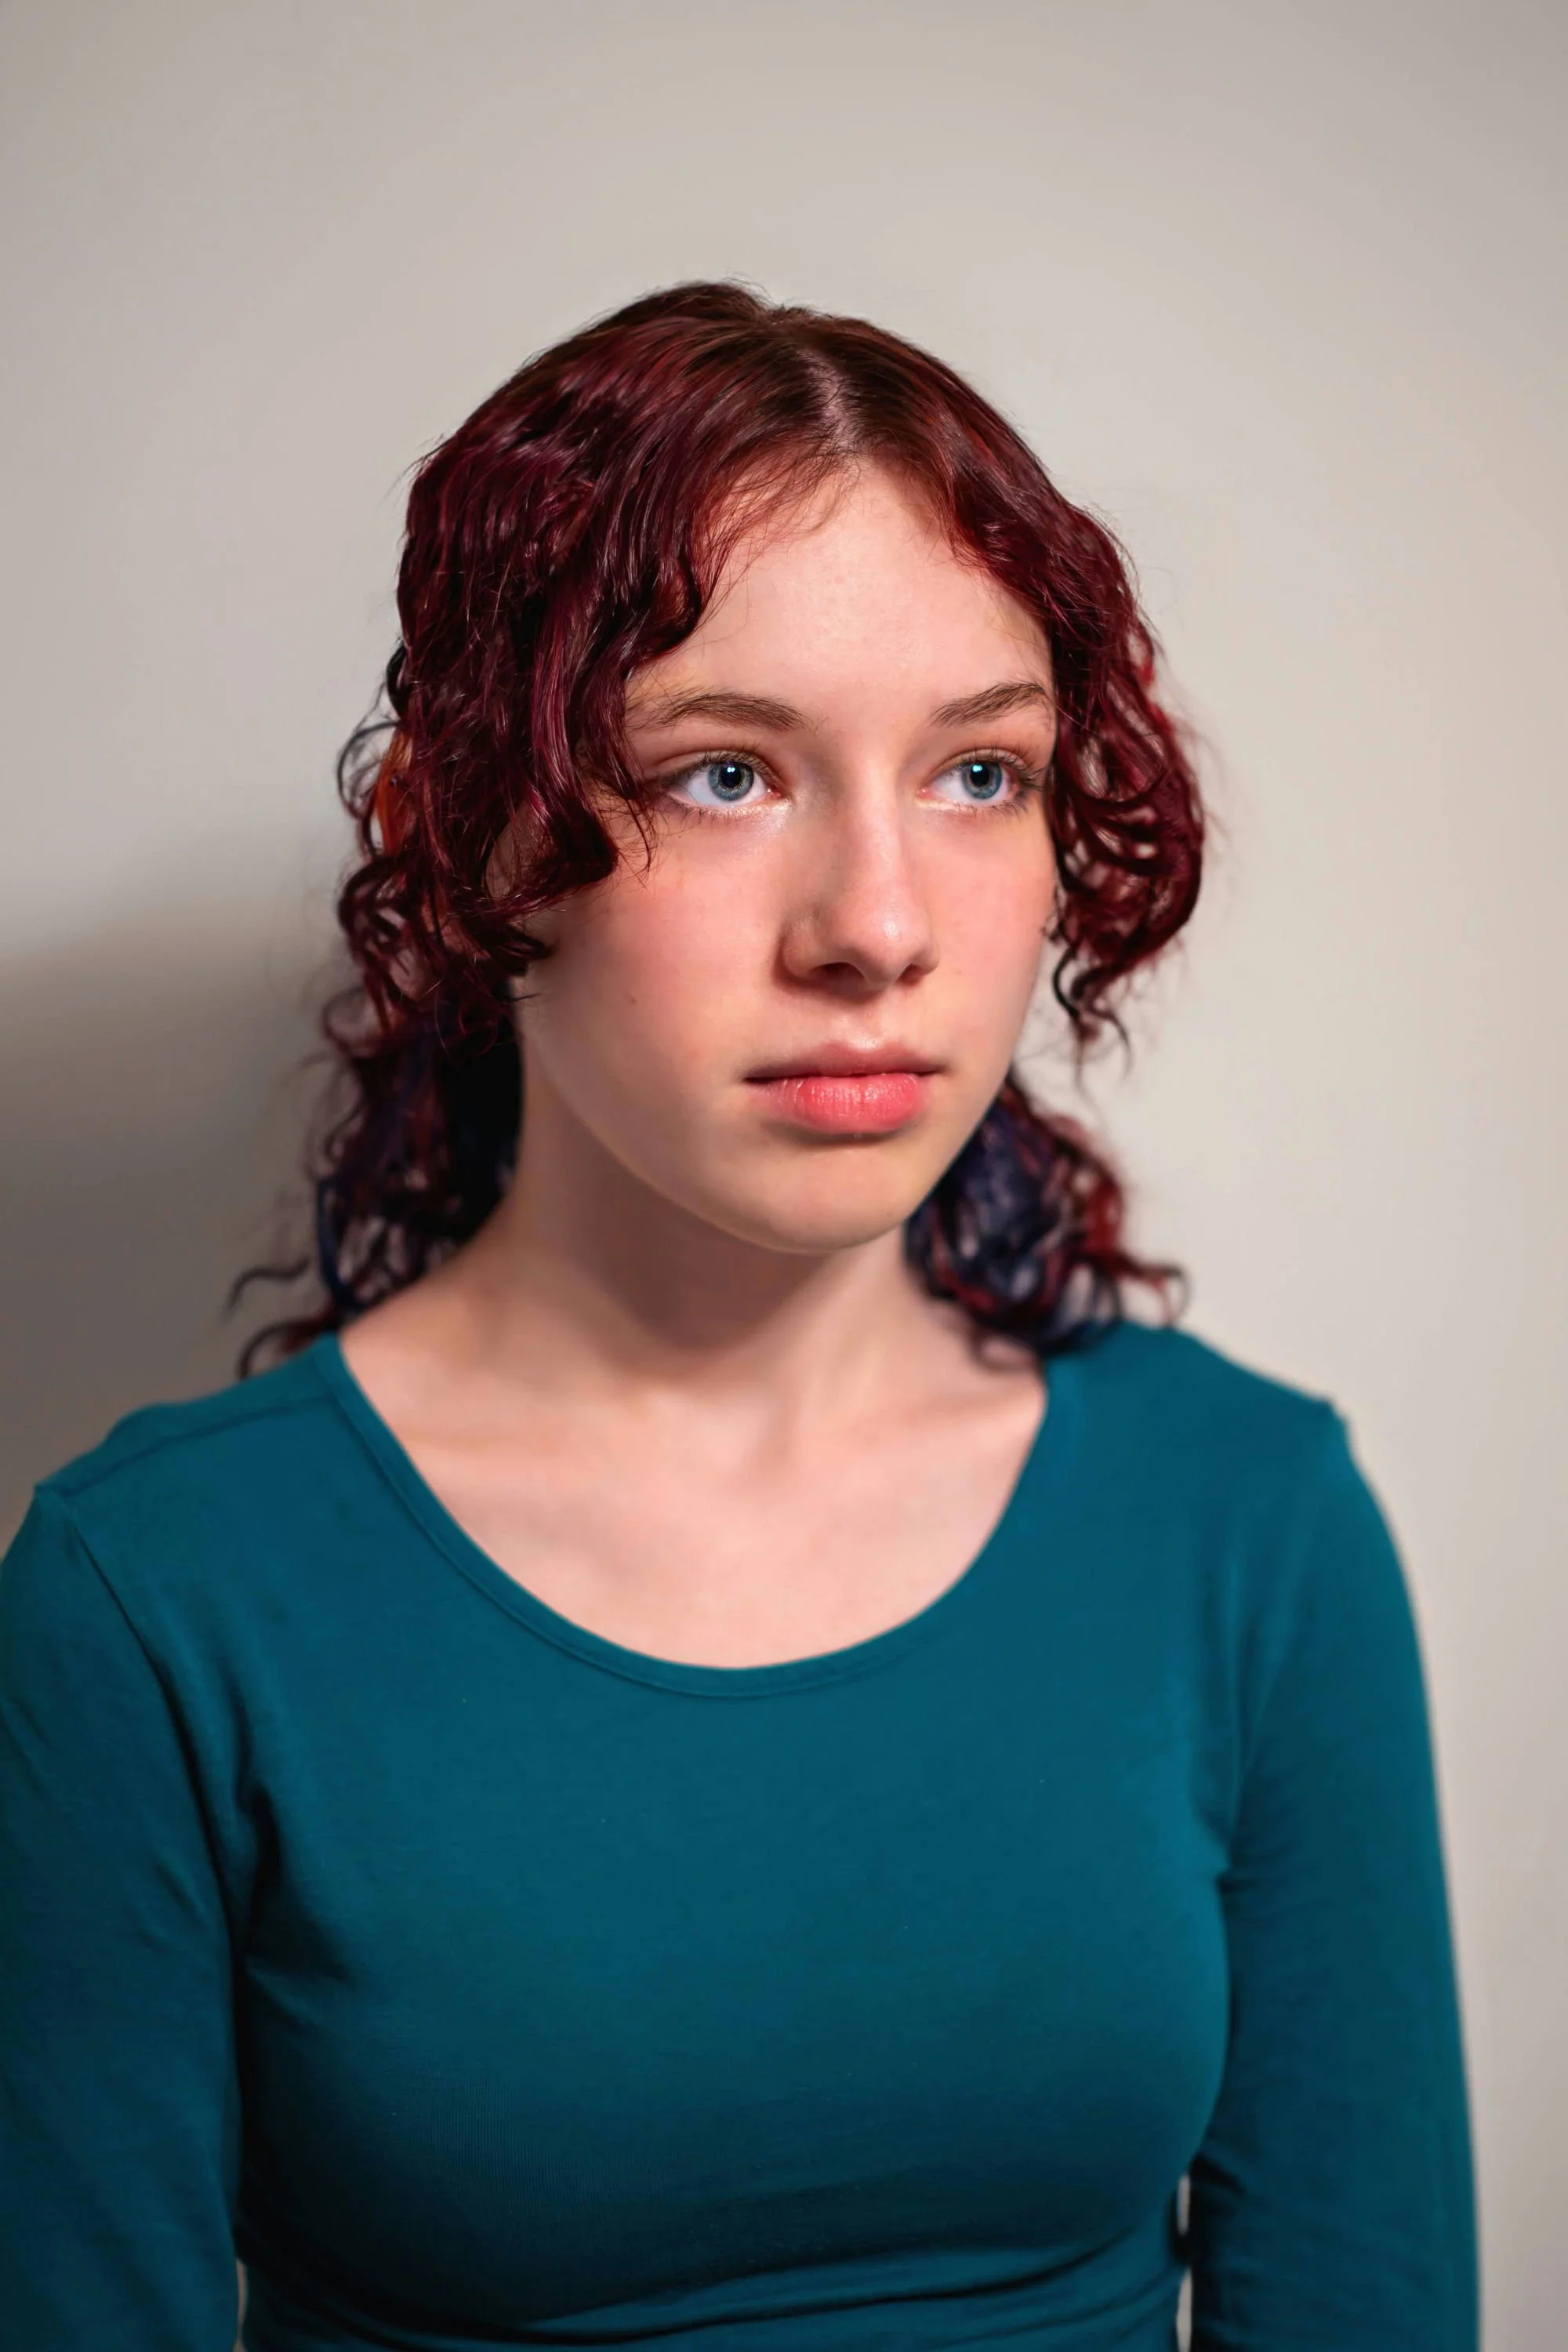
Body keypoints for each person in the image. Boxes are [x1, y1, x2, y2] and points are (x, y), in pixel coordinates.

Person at [0, 283, 1475, 2350]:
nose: (877, 926)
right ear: (474, 838)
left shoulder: (1251, 1521)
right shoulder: (150, 1596)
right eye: (723, 775)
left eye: (980, 771)